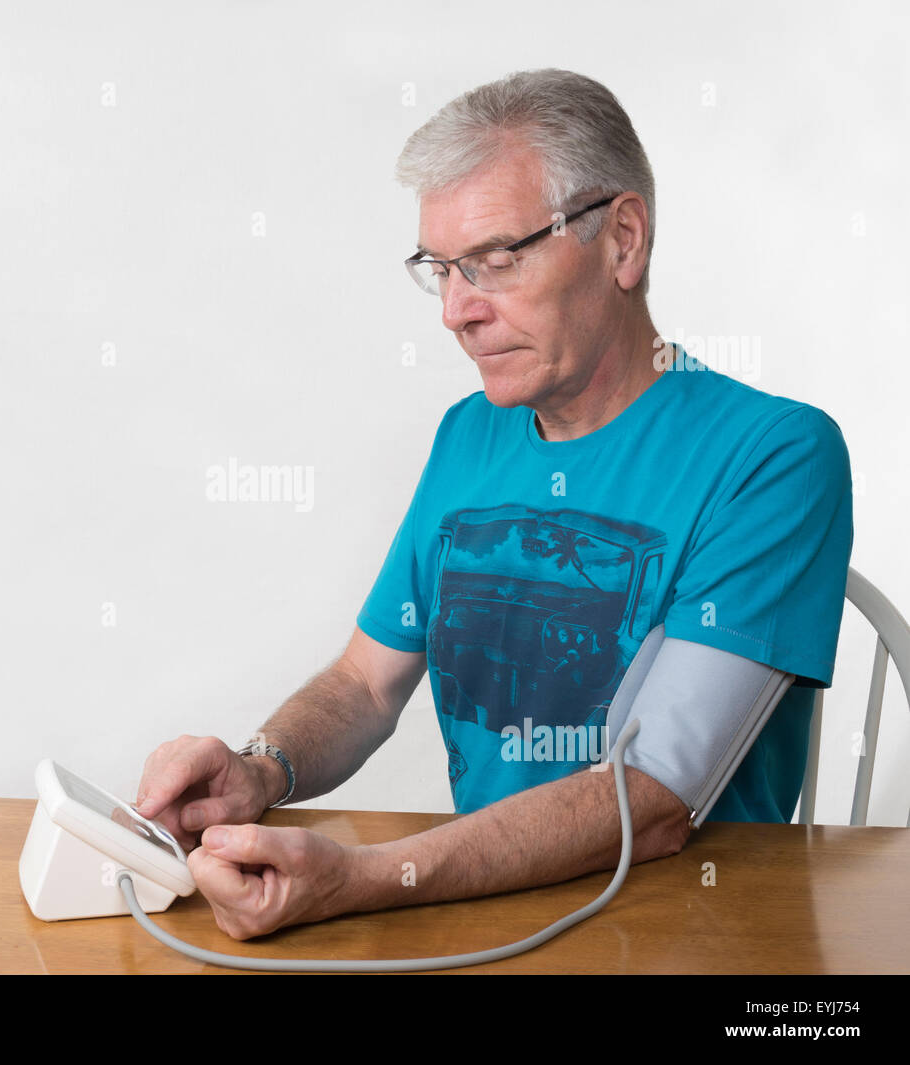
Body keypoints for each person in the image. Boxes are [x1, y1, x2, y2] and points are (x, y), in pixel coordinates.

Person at [135, 69, 854, 941]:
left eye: (495, 260)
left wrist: (370, 876)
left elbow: (656, 799)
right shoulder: (468, 435)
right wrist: (260, 771)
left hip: (689, 938)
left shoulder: (776, 456)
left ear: (623, 241)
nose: (454, 312)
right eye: (440, 269)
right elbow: (366, 683)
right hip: (477, 918)